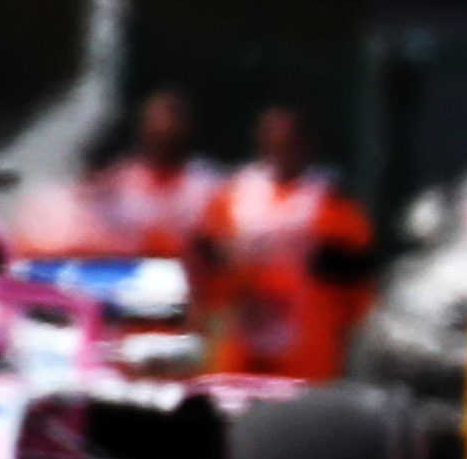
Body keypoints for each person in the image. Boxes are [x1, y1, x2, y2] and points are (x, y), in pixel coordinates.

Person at [202, 105, 373, 380]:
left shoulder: (333, 203)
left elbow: (356, 285)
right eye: (274, 141)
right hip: (241, 346)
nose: (282, 150)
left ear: (307, 146)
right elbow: (206, 268)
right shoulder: (232, 197)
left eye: (290, 143)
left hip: (304, 351)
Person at [81, 88, 217, 263]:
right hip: (128, 273)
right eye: (155, 120)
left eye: (173, 119)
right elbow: (91, 235)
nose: (164, 128)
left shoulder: (208, 183)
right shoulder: (117, 181)